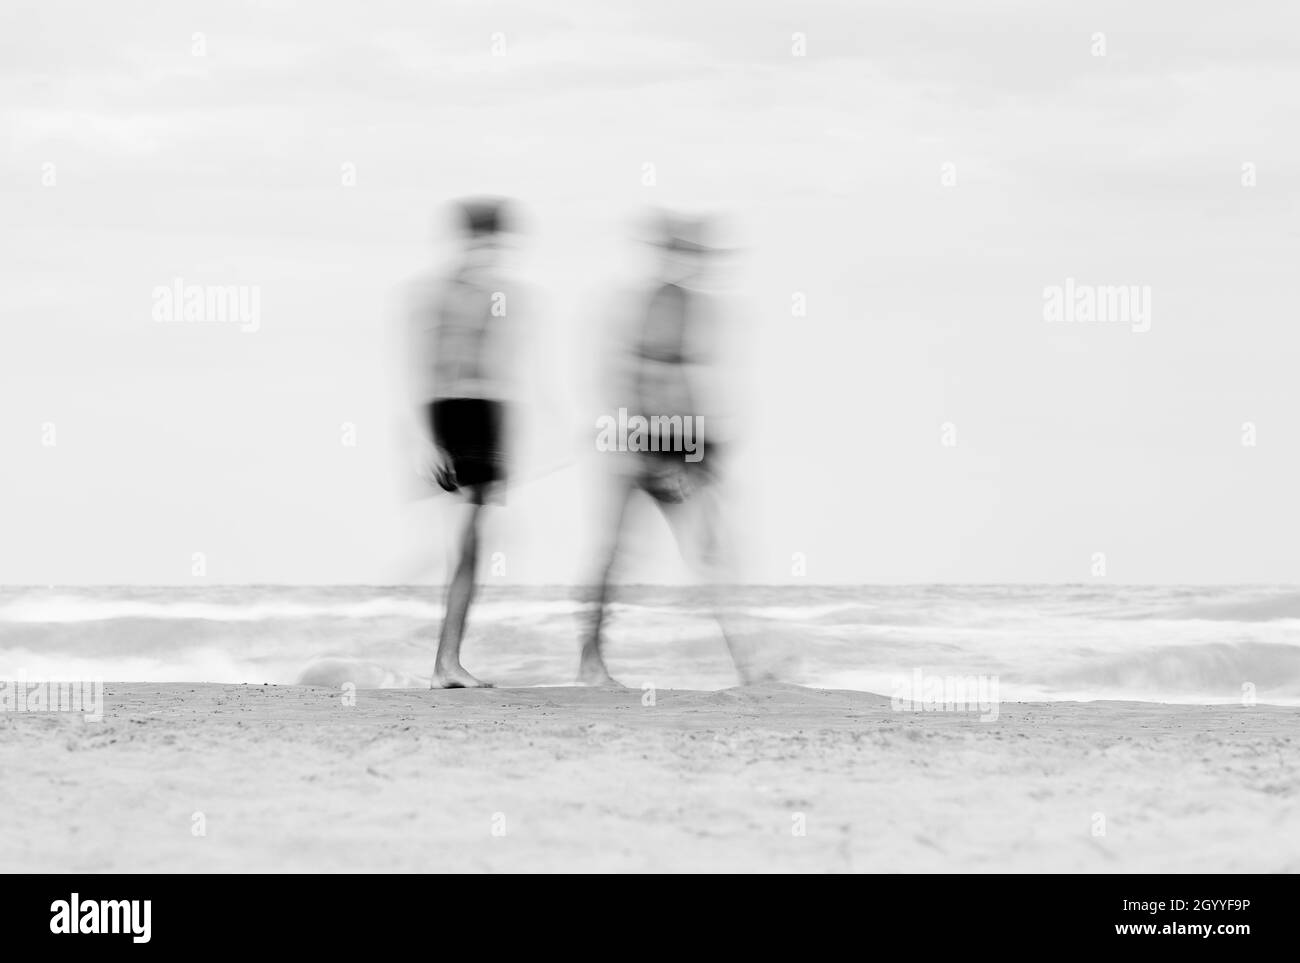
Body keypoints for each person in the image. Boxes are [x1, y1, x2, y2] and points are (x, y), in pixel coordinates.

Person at [579, 212, 764, 686]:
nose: (688, 264)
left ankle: (747, 663)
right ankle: (591, 660)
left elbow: (690, 382)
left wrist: (708, 448)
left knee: (709, 550)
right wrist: (631, 438)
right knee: (618, 552)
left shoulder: (698, 307)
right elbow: (627, 374)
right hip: (643, 438)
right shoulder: (646, 305)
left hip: (684, 438)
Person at [409, 198, 518, 688]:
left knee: (473, 542)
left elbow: (503, 367)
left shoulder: (497, 294)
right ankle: (444, 663)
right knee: (468, 542)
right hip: (455, 412)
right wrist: (431, 441)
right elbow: (432, 365)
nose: (489, 249)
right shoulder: (447, 294)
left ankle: (446, 660)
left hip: (487, 411)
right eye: (483, 238)